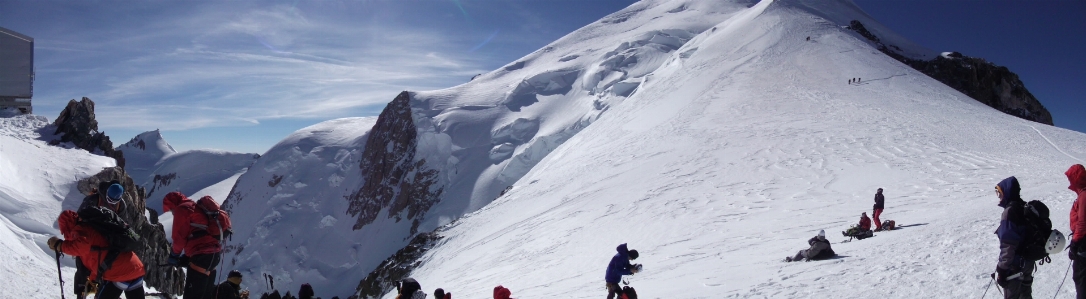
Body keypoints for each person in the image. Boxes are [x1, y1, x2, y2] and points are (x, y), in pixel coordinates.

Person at [48, 210, 146, 299]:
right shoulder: (94, 228)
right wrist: (93, 281)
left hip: (119, 274)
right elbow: (98, 260)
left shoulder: (80, 230)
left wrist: (60, 245)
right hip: (135, 268)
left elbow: (81, 246)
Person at [163, 191, 223, 299]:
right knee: (206, 296)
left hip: (201, 256)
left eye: (171, 209)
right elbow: (199, 234)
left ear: (173, 204)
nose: (172, 212)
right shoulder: (196, 207)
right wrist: (187, 256)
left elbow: (179, 238)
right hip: (214, 255)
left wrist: (174, 256)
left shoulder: (182, 209)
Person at [73, 181, 126, 298]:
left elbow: (120, 225)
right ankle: (81, 294)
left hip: (105, 241)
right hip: (89, 238)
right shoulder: (93, 199)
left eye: (114, 201)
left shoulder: (121, 206)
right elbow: (79, 217)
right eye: (109, 199)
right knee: (83, 270)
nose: (110, 202)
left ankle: (98, 294)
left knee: (102, 273)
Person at [994, 176, 1033, 298]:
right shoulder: (1024, 207)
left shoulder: (1010, 212)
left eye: (999, 193)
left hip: (1014, 266)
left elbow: (1008, 243)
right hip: (1027, 262)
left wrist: (1002, 268)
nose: (999, 197)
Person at [1065, 164, 1086, 298]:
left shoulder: (1084, 195)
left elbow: (1083, 222)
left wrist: (1075, 243)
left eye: (1071, 178)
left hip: (1083, 244)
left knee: (1081, 279)